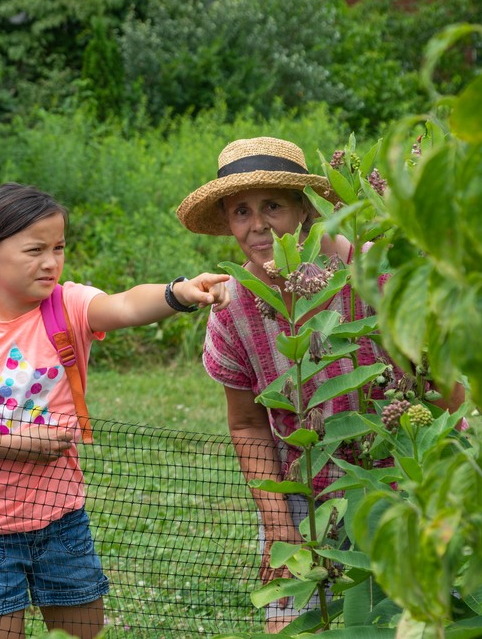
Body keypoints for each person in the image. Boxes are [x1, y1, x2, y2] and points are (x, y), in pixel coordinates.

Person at [0, 182, 230, 639]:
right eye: (34, 250)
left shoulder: (67, 305)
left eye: (58, 248)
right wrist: (21, 445)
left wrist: (178, 292)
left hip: (62, 522)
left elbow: (123, 304)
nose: (51, 262)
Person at [175, 136, 463, 632]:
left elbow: (443, 388)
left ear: (304, 209)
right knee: (294, 625)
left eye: (273, 206)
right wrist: (279, 531)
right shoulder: (232, 306)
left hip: (400, 486)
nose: (258, 224)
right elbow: (246, 425)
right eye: (241, 211)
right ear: (227, 222)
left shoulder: (372, 272)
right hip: (306, 492)